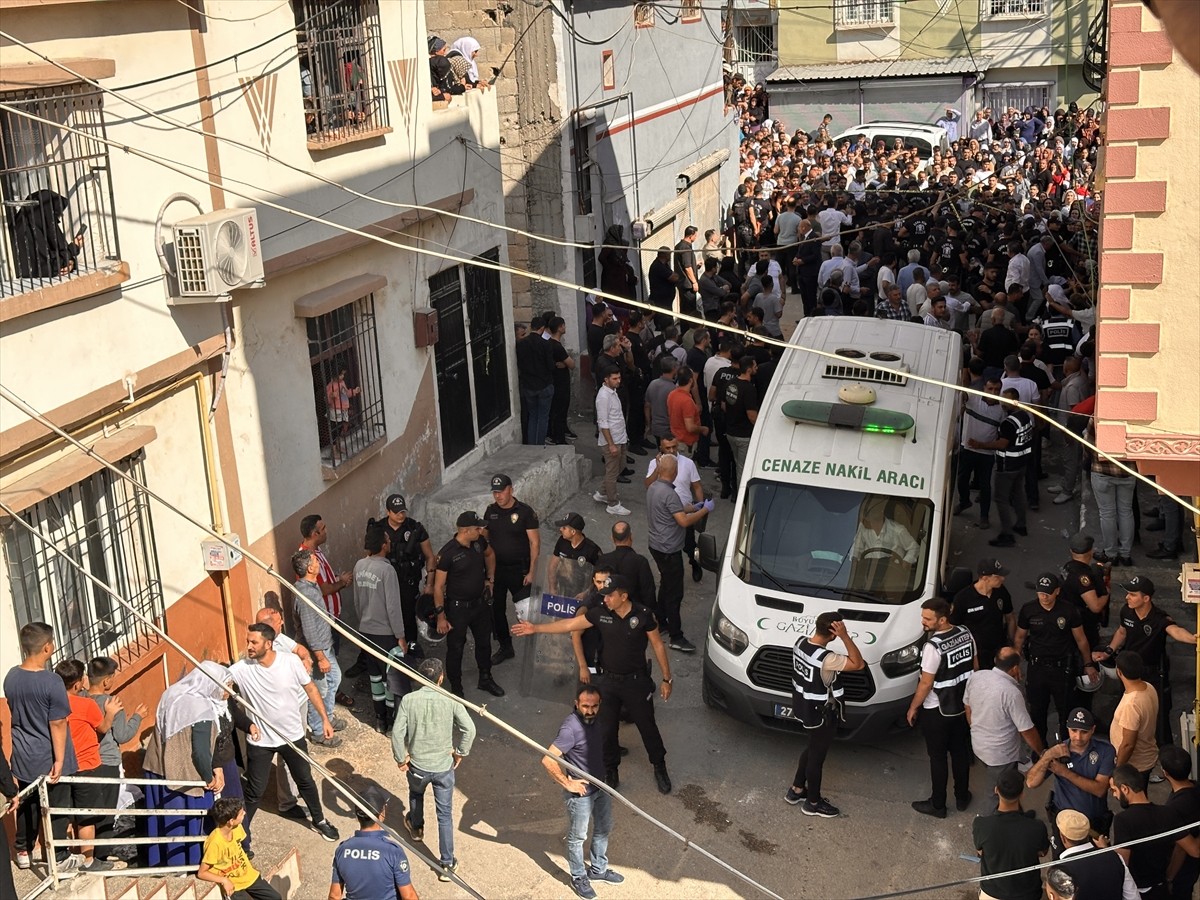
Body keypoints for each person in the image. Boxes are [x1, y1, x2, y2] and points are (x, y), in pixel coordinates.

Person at [512, 574, 675, 795]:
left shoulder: (643, 615)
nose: (605, 599)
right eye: (604, 595)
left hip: (636, 682)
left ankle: (659, 766)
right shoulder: (600, 613)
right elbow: (570, 624)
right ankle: (611, 770)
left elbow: (657, 645)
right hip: (608, 682)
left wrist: (666, 679)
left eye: (610, 596)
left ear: (623, 596)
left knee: (647, 727)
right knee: (607, 730)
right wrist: (536, 628)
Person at [229, 624, 340, 851]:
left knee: (305, 781)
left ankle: (319, 820)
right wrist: (245, 723)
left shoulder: (290, 662)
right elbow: (218, 684)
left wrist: (325, 720)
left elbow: (310, 688)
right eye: (248, 641)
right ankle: (240, 837)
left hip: (292, 736)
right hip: (260, 741)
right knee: (254, 792)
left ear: (268, 644)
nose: (248, 646)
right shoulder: (241, 669)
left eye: (254, 642)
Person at [5, 622, 82, 874]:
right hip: (48, 755)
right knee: (57, 806)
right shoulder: (52, 681)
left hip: (23, 754)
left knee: (27, 803)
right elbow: (58, 722)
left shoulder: (11, 676)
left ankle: (23, 850)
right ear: (47, 647)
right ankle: (58, 857)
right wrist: (59, 760)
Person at [143, 661, 236, 867]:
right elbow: (200, 752)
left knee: (163, 819)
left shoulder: (171, 693)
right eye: (226, 685)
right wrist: (208, 777)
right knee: (186, 823)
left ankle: (163, 863)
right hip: (184, 775)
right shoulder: (201, 707)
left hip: (158, 766)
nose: (229, 691)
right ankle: (187, 865)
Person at [392, 657, 475, 883]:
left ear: (420, 677)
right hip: (443, 767)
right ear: (441, 678)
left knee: (416, 794)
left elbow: (397, 733)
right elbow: (469, 729)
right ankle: (447, 863)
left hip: (418, 765)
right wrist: (460, 752)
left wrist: (400, 759)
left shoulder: (408, 700)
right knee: (444, 815)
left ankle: (416, 828)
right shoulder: (451, 699)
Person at [1095, 575, 1198, 748]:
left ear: (1146, 598)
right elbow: (1122, 632)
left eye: (1132, 594)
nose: (1127, 597)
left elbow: (1176, 631)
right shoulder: (1126, 611)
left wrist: (1194, 639)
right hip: (1129, 672)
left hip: (1152, 672)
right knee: (1128, 708)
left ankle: (1163, 749)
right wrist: (1109, 651)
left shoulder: (1159, 618)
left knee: (1159, 713)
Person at [542, 685, 624, 900]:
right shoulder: (570, 729)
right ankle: (578, 877)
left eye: (594, 706)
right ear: (576, 704)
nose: (590, 711)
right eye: (585, 706)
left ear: (599, 704)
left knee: (604, 828)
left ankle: (598, 870)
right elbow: (548, 759)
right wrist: (566, 783)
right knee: (577, 837)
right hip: (580, 795)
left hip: (600, 786)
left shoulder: (596, 720)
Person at [785, 612, 865, 818]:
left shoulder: (800, 643)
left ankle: (796, 790)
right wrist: (845, 637)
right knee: (816, 757)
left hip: (804, 707)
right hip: (822, 714)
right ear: (834, 633)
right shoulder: (827, 659)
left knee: (812, 747)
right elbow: (858, 664)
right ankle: (813, 803)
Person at [907, 598, 977, 818]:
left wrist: (913, 707)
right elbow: (975, 667)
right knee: (960, 752)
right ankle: (962, 797)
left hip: (936, 709)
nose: (923, 622)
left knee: (937, 757)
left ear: (943, 619)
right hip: (962, 706)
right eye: (923, 617)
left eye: (928, 619)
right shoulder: (966, 633)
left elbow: (926, 683)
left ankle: (938, 804)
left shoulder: (933, 647)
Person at [1014, 573, 1098, 745]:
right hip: (1037, 668)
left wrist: (1088, 664)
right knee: (1037, 712)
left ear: (1057, 591)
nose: (1044, 597)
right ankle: (1040, 751)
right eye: (1041, 593)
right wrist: (1015, 664)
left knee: (1066, 713)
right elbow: (1020, 637)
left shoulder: (1068, 610)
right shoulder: (1029, 609)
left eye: (1048, 593)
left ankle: (1067, 749)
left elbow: (1081, 639)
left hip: (1062, 669)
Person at [54, 659, 119, 871]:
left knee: (64, 814)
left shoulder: (52, 704)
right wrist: (110, 713)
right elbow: (103, 728)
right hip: (86, 766)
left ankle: (65, 856)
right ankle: (88, 860)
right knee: (87, 816)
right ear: (77, 684)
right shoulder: (86, 704)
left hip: (62, 767)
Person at [645, 453, 713, 653]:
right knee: (675, 593)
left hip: (656, 545)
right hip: (669, 549)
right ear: (674, 472)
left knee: (666, 584)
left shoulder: (653, 487)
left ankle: (661, 621)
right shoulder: (669, 493)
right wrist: (704, 510)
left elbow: (673, 509)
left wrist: (692, 507)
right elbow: (683, 521)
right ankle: (676, 636)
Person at [1025, 707, 1116, 855]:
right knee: (1062, 864)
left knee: (1096, 862)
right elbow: (1031, 782)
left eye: (1084, 732)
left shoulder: (1105, 750)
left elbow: (1100, 789)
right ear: (1067, 729)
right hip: (1065, 825)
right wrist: (1048, 755)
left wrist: (1064, 772)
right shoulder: (1058, 752)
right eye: (1074, 730)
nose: (1078, 737)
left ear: (1093, 730)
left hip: (1093, 823)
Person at [435, 511, 505, 697]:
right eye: (477, 528)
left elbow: (490, 554)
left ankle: (485, 678)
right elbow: (438, 586)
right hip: (458, 609)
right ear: (465, 530)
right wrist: (441, 616)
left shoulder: (479, 542)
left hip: (479, 605)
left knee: (484, 643)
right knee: (456, 648)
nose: (481, 531)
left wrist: (490, 579)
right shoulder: (448, 553)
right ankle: (456, 688)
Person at [964, 648, 1043, 810]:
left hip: (979, 746)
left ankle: (1018, 814)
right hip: (1001, 756)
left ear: (996, 661)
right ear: (1015, 668)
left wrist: (977, 730)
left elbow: (968, 707)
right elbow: (1026, 730)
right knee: (996, 794)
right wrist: (1042, 753)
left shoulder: (976, 677)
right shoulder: (1011, 693)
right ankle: (986, 821)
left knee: (1011, 786)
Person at [1111, 764, 1200, 900]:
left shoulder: (1123, 820)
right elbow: (1194, 850)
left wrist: (1104, 849)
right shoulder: (1168, 813)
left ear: (1125, 789)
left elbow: (1122, 865)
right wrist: (1169, 877)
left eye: (1114, 790)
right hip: (1161, 888)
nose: (1114, 795)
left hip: (1138, 892)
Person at [87, 657, 146, 856]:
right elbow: (122, 735)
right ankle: (102, 855)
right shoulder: (112, 704)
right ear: (107, 680)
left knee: (89, 810)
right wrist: (137, 717)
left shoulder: (81, 700)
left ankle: (88, 852)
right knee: (107, 812)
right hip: (108, 762)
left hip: (86, 762)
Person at [351, 527, 408, 733]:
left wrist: (363, 622)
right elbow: (393, 607)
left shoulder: (359, 566)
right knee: (391, 679)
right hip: (385, 634)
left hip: (366, 631)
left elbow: (357, 600)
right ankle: (392, 721)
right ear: (383, 545)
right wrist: (400, 636)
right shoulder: (387, 570)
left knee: (374, 676)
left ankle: (379, 719)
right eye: (387, 540)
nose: (390, 542)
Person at [292, 548, 347, 746]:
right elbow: (309, 630)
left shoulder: (311, 585)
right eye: (315, 561)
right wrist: (320, 657)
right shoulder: (305, 593)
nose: (318, 563)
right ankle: (318, 730)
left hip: (325, 646)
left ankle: (328, 716)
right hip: (317, 651)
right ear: (309, 568)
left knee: (334, 678)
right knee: (319, 689)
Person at [484, 473, 540, 665]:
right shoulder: (490, 511)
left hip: (519, 570)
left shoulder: (525, 512)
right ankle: (505, 647)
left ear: (511, 489)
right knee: (496, 611)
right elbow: (484, 540)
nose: (497, 496)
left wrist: (532, 571)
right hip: (498, 571)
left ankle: (536, 648)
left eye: (501, 491)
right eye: (495, 492)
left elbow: (534, 543)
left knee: (528, 611)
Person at [329, 783, 419, 900]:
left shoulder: (342, 850)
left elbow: (334, 896)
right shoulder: (392, 851)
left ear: (357, 815)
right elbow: (408, 896)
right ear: (382, 814)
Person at [972, 768, 1048, 900]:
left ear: (996, 790)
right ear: (1022, 794)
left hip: (992, 893)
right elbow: (1042, 852)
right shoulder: (1037, 827)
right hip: (1028, 894)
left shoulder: (981, 825)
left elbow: (980, 851)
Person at [378, 494, 435, 660]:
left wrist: (429, 584)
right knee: (386, 619)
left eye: (403, 511)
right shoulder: (379, 529)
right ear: (388, 512)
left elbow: (430, 557)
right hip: (386, 583)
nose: (401, 515)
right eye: (396, 512)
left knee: (409, 618)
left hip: (408, 582)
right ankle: (389, 653)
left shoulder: (414, 528)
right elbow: (371, 556)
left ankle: (411, 651)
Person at [644, 436, 706, 583]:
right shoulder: (654, 464)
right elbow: (648, 484)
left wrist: (700, 506)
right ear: (661, 448)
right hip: (665, 514)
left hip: (685, 510)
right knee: (669, 546)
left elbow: (697, 486)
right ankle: (668, 573)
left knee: (690, 545)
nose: (671, 450)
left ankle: (694, 563)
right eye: (668, 448)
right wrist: (658, 468)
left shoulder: (688, 463)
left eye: (674, 447)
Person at [976, 389, 1032, 548]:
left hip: (1007, 465)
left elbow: (1002, 444)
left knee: (1001, 499)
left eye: (1006, 400)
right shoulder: (1025, 416)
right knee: (1018, 493)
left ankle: (1007, 534)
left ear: (1015, 401)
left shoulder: (1008, 423)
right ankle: (1021, 525)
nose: (1002, 403)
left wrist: (980, 445)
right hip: (1021, 463)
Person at [198, 797, 281, 900]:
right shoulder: (215, 843)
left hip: (248, 875)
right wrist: (224, 880)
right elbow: (202, 873)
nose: (245, 813)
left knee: (276, 898)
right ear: (231, 821)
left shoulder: (237, 827)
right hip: (233, 884)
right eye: (241, 813)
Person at [1055, 808, 1139, 900]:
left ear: (1062, 837)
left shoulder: (1058, 872)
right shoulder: (1115, 858)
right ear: (1087, 835)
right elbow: (1133, 897)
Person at [956, 376, 1003, 528]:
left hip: (986, 454)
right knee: (962, 479)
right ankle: (964, 501)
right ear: (984, 388)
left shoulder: (1001, 410)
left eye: (996, 390)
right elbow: (962, 394)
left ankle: (984, 516)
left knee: (985, 486)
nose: (993, 392)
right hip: (967, 449)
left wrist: (982, 445)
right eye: (990, 389)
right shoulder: (973, 398)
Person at [951, 558, 1014, 669]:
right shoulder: (963, 598)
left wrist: (1012, 643)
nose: (1002, 578)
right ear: (985, 578)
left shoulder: (1001, 591)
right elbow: (954, 628)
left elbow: (1010, 618)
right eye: (998, 576)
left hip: (998, 650)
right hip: (975, 653)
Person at [1110, 651, 1160, 787]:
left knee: (1134, 798)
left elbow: (1128, 745)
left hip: (1134, 765)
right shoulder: (1149, 687)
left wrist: (1118, 770)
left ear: (1119, 672)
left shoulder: (1131, 704)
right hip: (1147, 757)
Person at [1160, 745, 1200, 900]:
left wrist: (1169, 877)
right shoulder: (1196, 787)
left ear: (1165, 773)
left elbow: (1183, 849)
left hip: (1183, 869)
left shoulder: (1173, 809)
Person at [597, 521, 657, 612]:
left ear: (612, 538)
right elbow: (648, 592)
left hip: (608, 609)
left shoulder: (603, 560)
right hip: (634, 610)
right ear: (631, 537)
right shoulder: (640, 561)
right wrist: (650, 613)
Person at [594, 368, 631, 516]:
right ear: (606, 379)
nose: (618, 381)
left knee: (619, 466)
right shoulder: (603, 397)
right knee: (612, 472)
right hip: (612, 441)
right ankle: (612, 503)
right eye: (615, 378)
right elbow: (603, 423)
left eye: (619, 378)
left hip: (620, 437)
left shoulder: (612, 392)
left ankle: (603, 493)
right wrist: (611, 445)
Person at [722, 355, 759, 482]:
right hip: (744, 435)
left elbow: (724, 405)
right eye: (755, 366)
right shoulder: (749, 389)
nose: (757, 368)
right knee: (743, 470)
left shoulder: (730, 383)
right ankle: (741, 493)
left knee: (738, 464)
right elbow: (752, 416)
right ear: (749, 370)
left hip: (731, 432)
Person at [548, 512, 602, 597]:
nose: (561, 529)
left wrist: (587, 592)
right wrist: (552, 588)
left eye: (564, 528)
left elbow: (600, 575)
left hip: (582, 592)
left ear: (573, 532)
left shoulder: (592, 550)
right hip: (562, 589)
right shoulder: (562, 541)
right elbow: (553, 565)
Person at [851, 500, 919, 565]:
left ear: (881, 511)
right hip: (868, 569)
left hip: (891, 570)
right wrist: (855, 561)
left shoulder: (898, 530)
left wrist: (906, 562)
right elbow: (855, 551)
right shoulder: (863, 528)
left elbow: (914, 548)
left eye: (874, 510)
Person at [324, 370, 361, 463]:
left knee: (341, 427)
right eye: (341, 374)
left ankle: (338, 446)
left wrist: (354, 391)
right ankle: (333, 451)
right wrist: (331, 396)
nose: (342, 376)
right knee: (335, 429)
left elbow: (346, 393)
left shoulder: (342, 383)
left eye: (343, 374)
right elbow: (327, 400)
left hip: (344, 408)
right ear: (335, 375)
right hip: (336, 410)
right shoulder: (330, 386)